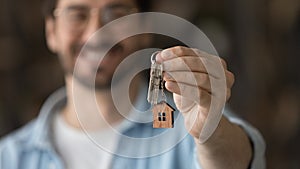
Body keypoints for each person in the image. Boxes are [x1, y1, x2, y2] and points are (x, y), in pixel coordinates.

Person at [0, 0, 265, 168]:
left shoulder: (189, 124)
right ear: (51, 31)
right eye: (78, 14)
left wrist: (210, 133)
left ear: (144, 27)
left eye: (116, 13)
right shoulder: (10, 157)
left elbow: (234, 160)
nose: (96, 33)